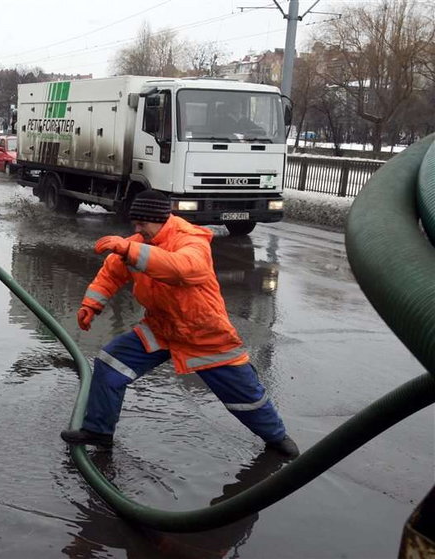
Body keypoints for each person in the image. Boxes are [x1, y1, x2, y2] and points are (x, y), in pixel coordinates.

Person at [61, 190, 299, 458]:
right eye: (135, 224)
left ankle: (277, 437)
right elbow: (112, 272)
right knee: (110, 363)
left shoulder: (190, 240)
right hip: (161, 327)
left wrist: (131, 248)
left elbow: (183, 269)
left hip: (203, 331)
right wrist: (91, 305)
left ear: (160, 220)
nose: (136, 229)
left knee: (245, 396)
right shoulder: (139, 242)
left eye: (142, 224)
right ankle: (99, 431)